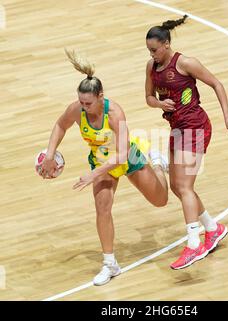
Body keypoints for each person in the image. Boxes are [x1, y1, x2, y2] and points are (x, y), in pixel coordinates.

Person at [40, 49, 169, 285]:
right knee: (103, 208)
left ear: (101, 96)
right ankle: (110, 264)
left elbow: (120, 156)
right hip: (100, 161)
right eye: (81, 102)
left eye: (88, 103)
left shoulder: (115, 113)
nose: (84, 107)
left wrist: (93, 174)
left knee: (161, 201)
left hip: (126, 158)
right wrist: (49, 154)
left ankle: (158, 162)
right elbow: (61, 125)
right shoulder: (76, 110)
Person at [145, 16, 228, 269]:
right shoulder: (151, 67)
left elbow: (217, 84)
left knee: (185, 186)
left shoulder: (186, 63)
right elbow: (148, 97)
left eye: (155, 50)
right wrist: (159, 103)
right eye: (149, 50)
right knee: (177, 188)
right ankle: (213, 228)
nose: (152, 54)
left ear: (166, 44)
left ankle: (193, 245)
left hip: (196, 127)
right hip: (177, 128)